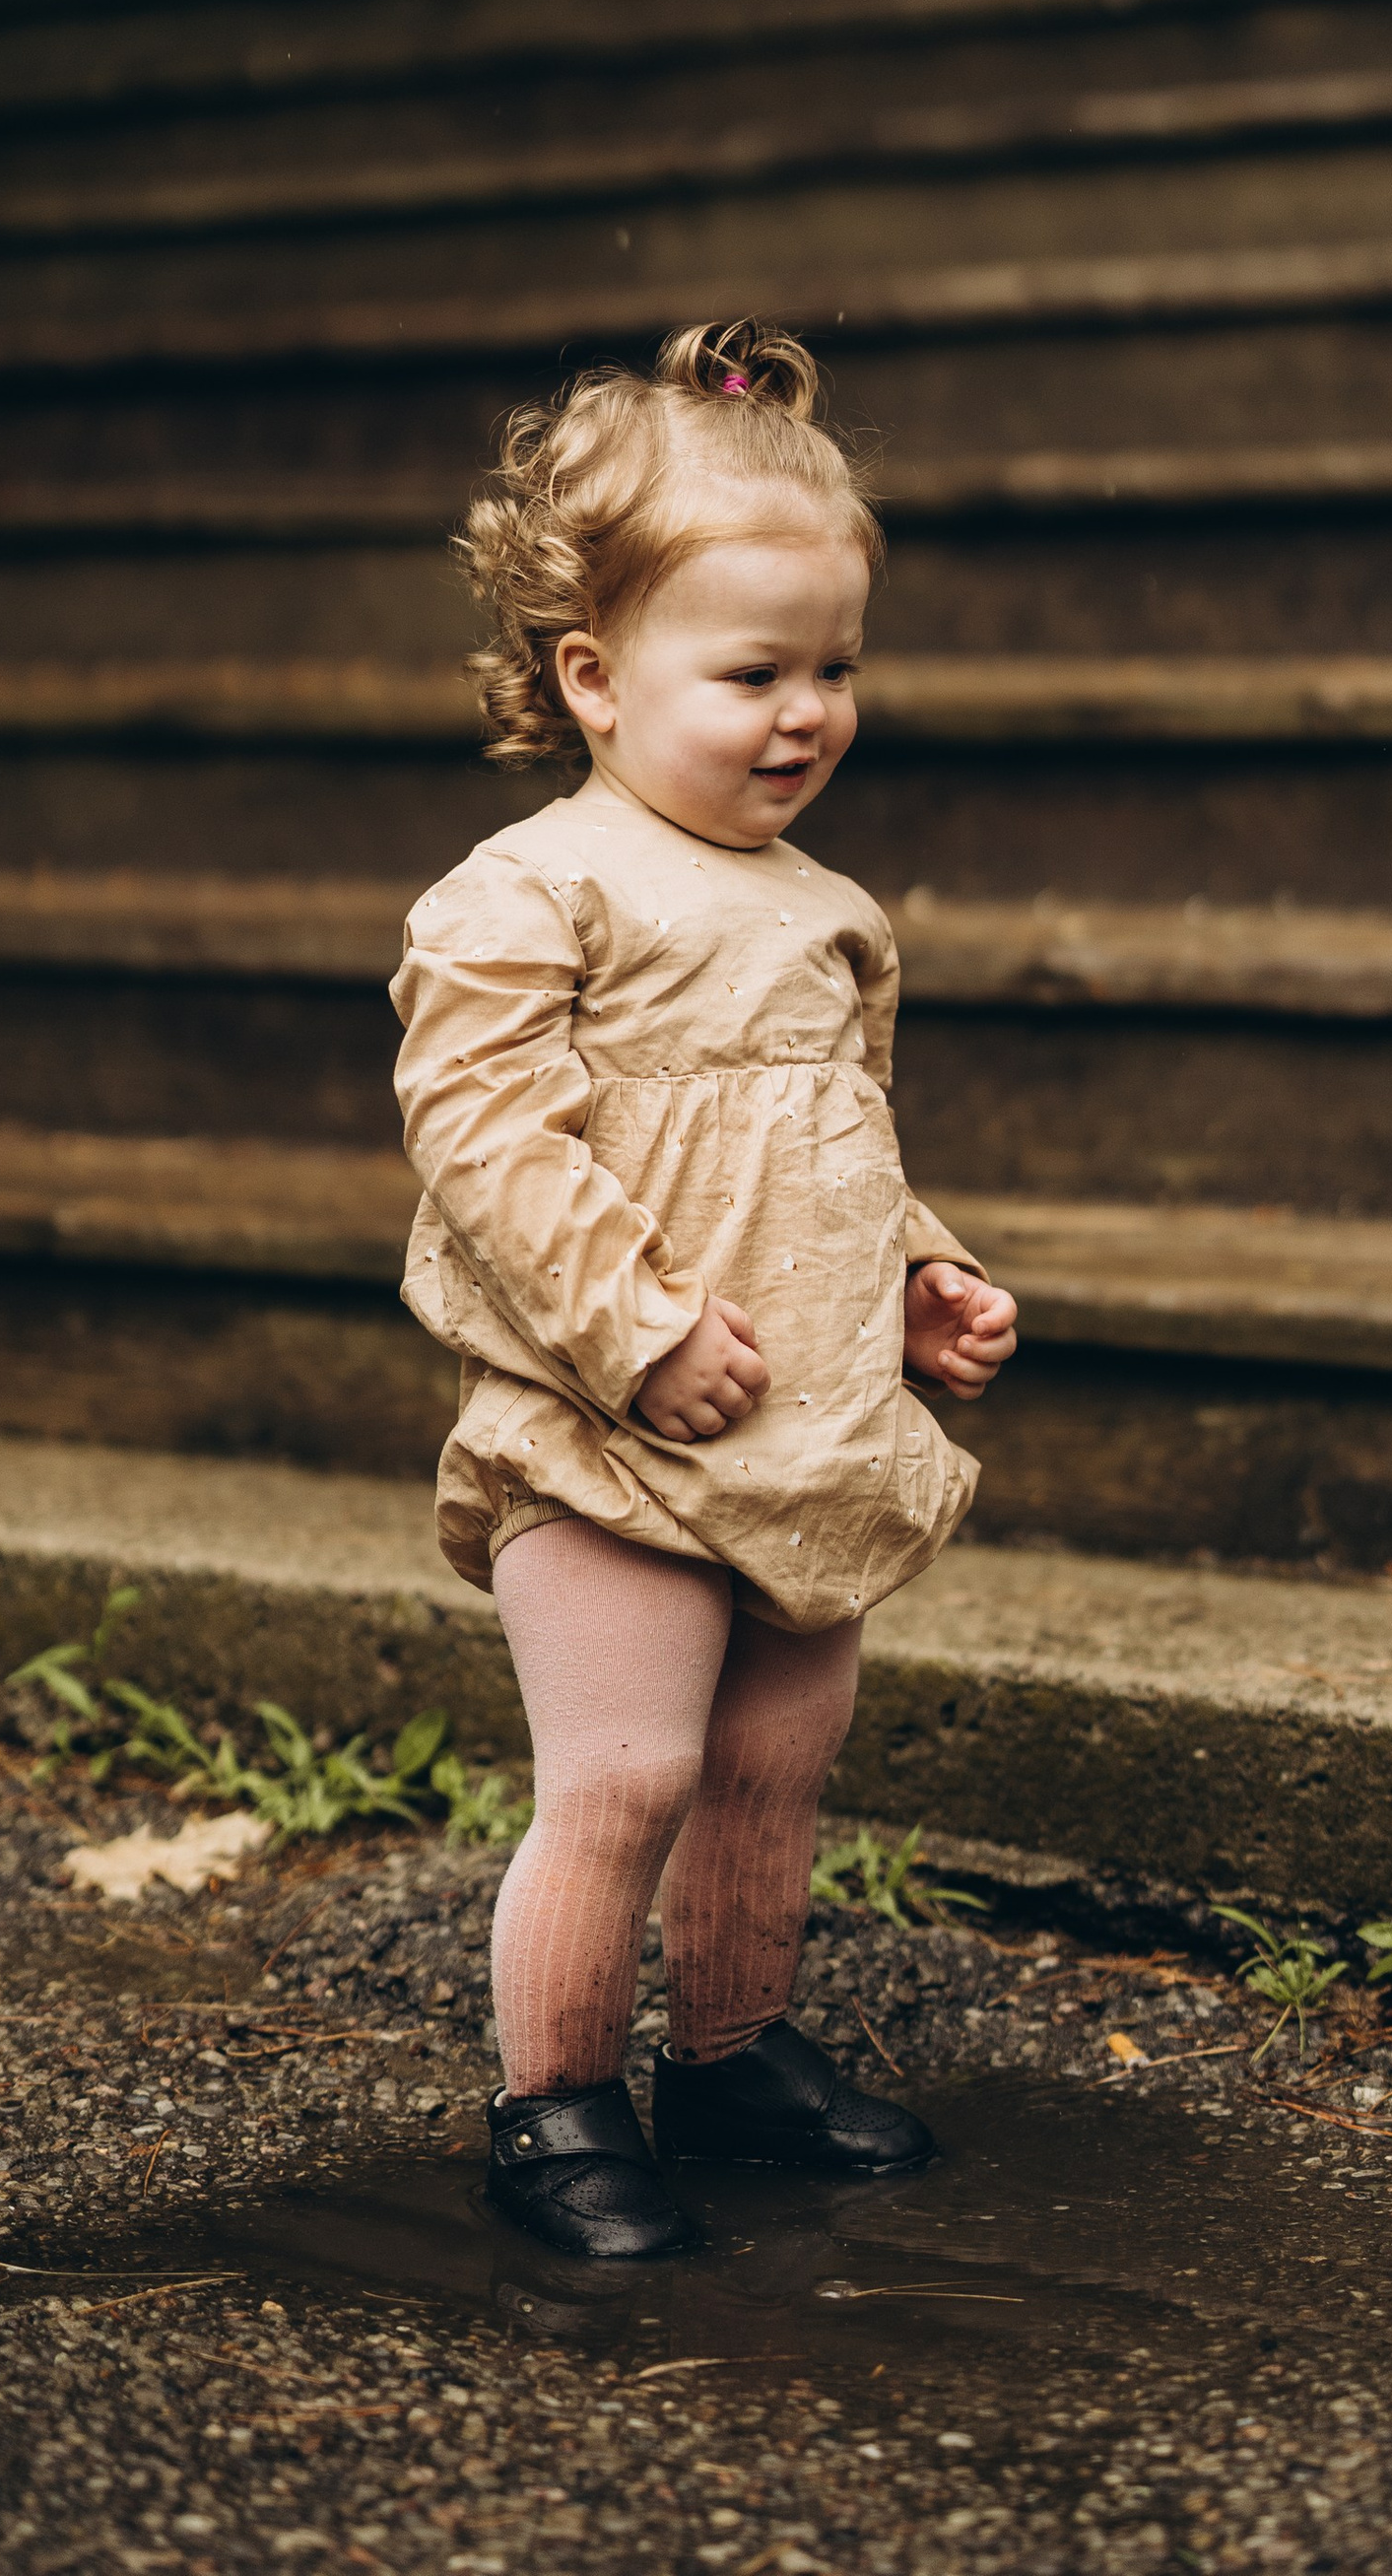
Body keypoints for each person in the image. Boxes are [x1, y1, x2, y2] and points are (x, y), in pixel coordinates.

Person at [390, 315, 1019, 2260]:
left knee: (763, 1770)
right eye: (748, 671)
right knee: (629, 1772)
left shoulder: (828, 910)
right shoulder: (531, 893)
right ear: (589, 675)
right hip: (608, 1424)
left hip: (809, 1419)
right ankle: (556, 2106)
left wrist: (918, 1275)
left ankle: (730, 2053)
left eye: (833, 667)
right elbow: (482, 1141)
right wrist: (634, 1329)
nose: (802, 712)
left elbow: (829, 1147)